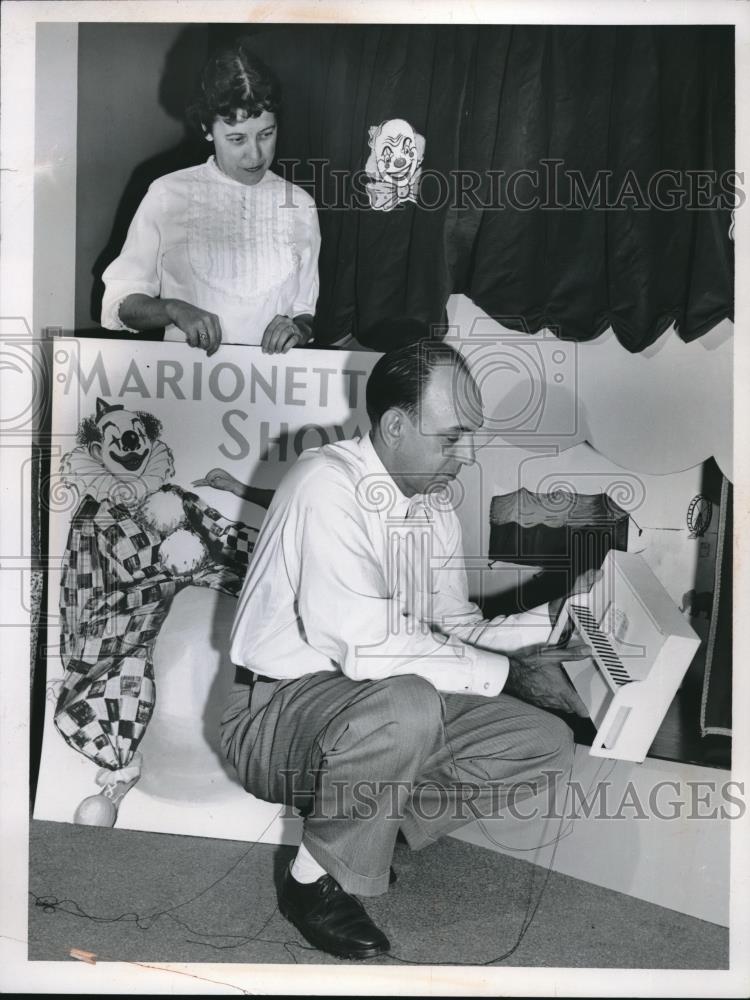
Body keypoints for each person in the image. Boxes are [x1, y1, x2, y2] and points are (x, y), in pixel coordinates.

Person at [221, 337, 594, 960]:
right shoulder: (325, 483)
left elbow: (453, 628)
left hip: (371, 706)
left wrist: (550, 620)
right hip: (272, 714)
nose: (466, 456)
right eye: (452, 438)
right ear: (395, 426)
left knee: (543, 743)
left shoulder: (432, 506)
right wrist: (508, 675)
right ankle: (308, 882)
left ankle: (366, 836)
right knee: (410, 703)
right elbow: (369, 648)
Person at [100, 44, 320, 356]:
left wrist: (299, 328)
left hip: (273, 392)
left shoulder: (300, 205)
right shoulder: (166, 194)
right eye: (237, 139)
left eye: (266, 134)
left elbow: (304, 310)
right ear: (207, 129)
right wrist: (174, 309)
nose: (255, 154)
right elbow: (118, 305)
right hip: (188, 391)